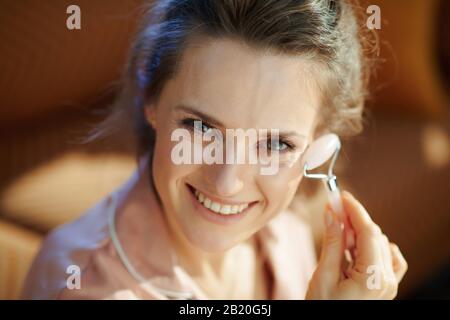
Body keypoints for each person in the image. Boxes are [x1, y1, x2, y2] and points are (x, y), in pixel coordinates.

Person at [22, 0, 407, 299]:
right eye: (201, 127)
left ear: (318, 143)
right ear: (150, 97)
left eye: (275, 144)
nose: (227, 183)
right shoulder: (84, 287)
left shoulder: (284, 232)